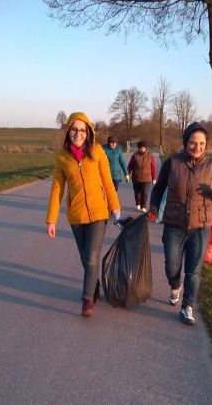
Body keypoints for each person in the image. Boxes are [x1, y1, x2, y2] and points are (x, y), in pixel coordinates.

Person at [148, 122, 212, 325]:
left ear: (206, 144)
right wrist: (154, 208)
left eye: (201, 143)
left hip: (201, 226)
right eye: (193, 142)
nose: (197, 147)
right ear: (186, 142)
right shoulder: (172, 162)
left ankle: (187, 306)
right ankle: (175, 286)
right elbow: (158, 188)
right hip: (174, 224)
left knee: (194, 269)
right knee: (172, 266)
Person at [46, 112, 121, 318]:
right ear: (68, 131)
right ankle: (94, 286)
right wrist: (51, 219)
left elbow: (107, 181)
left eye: (82, 129)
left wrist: (116, 210)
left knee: (91, 257)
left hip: (98, 213)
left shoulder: (97, 152)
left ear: (88, 132)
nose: (77, 133)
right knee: (85, 258)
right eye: (74, 129)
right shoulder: (62, 157)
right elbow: (57, 189)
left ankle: (87, 300)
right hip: (76, 216)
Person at [127, 141, 156, 212]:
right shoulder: (135, 155)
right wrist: (128, 175)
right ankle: (138, 203)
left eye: (143, 147)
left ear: (146, 148)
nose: (141, 149)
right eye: (140, 148)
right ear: (138, 148)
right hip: (136, 177)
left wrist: (154, 178)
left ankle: (143, 206)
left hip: (147, 178)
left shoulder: (150, 156)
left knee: (145, 192)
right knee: (137, 192)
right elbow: (130, 166)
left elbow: (153, 167)